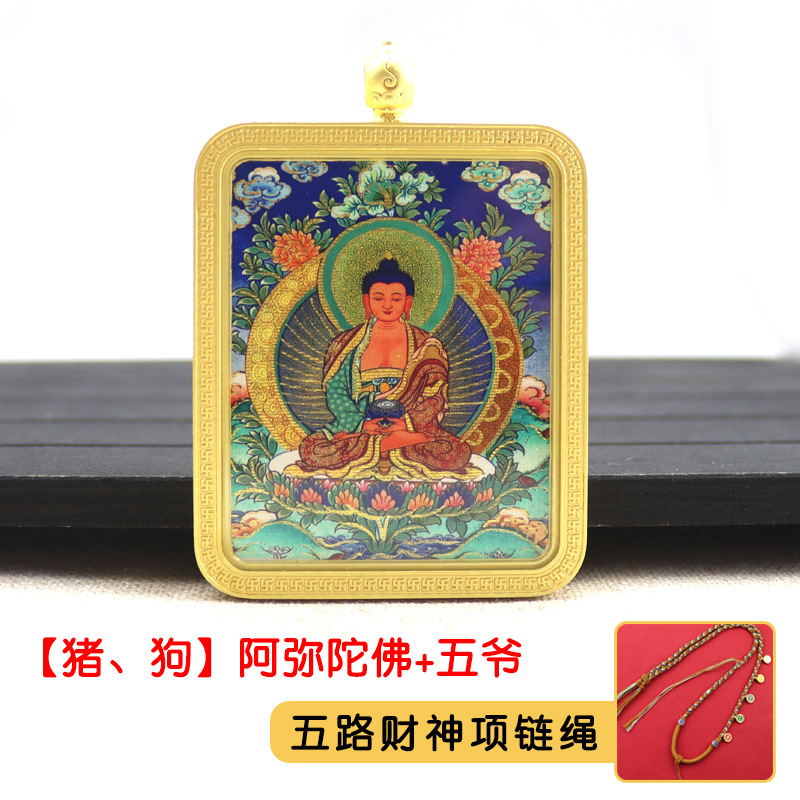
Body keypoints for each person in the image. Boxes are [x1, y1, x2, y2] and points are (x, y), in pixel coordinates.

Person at [289, 258, 473, 480]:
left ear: (408, 302)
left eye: (396, 298)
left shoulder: (426, 345)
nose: (387, 305)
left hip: (408, 424)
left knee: (456, 454)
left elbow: (435, 397)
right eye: (378, 298)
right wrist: (362, 423)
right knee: (312, 450)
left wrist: (406, 423)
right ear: (366, 301)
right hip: (360, 425)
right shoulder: (347, 344)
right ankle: (393, 444)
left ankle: (390, 442)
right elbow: (336, 392)